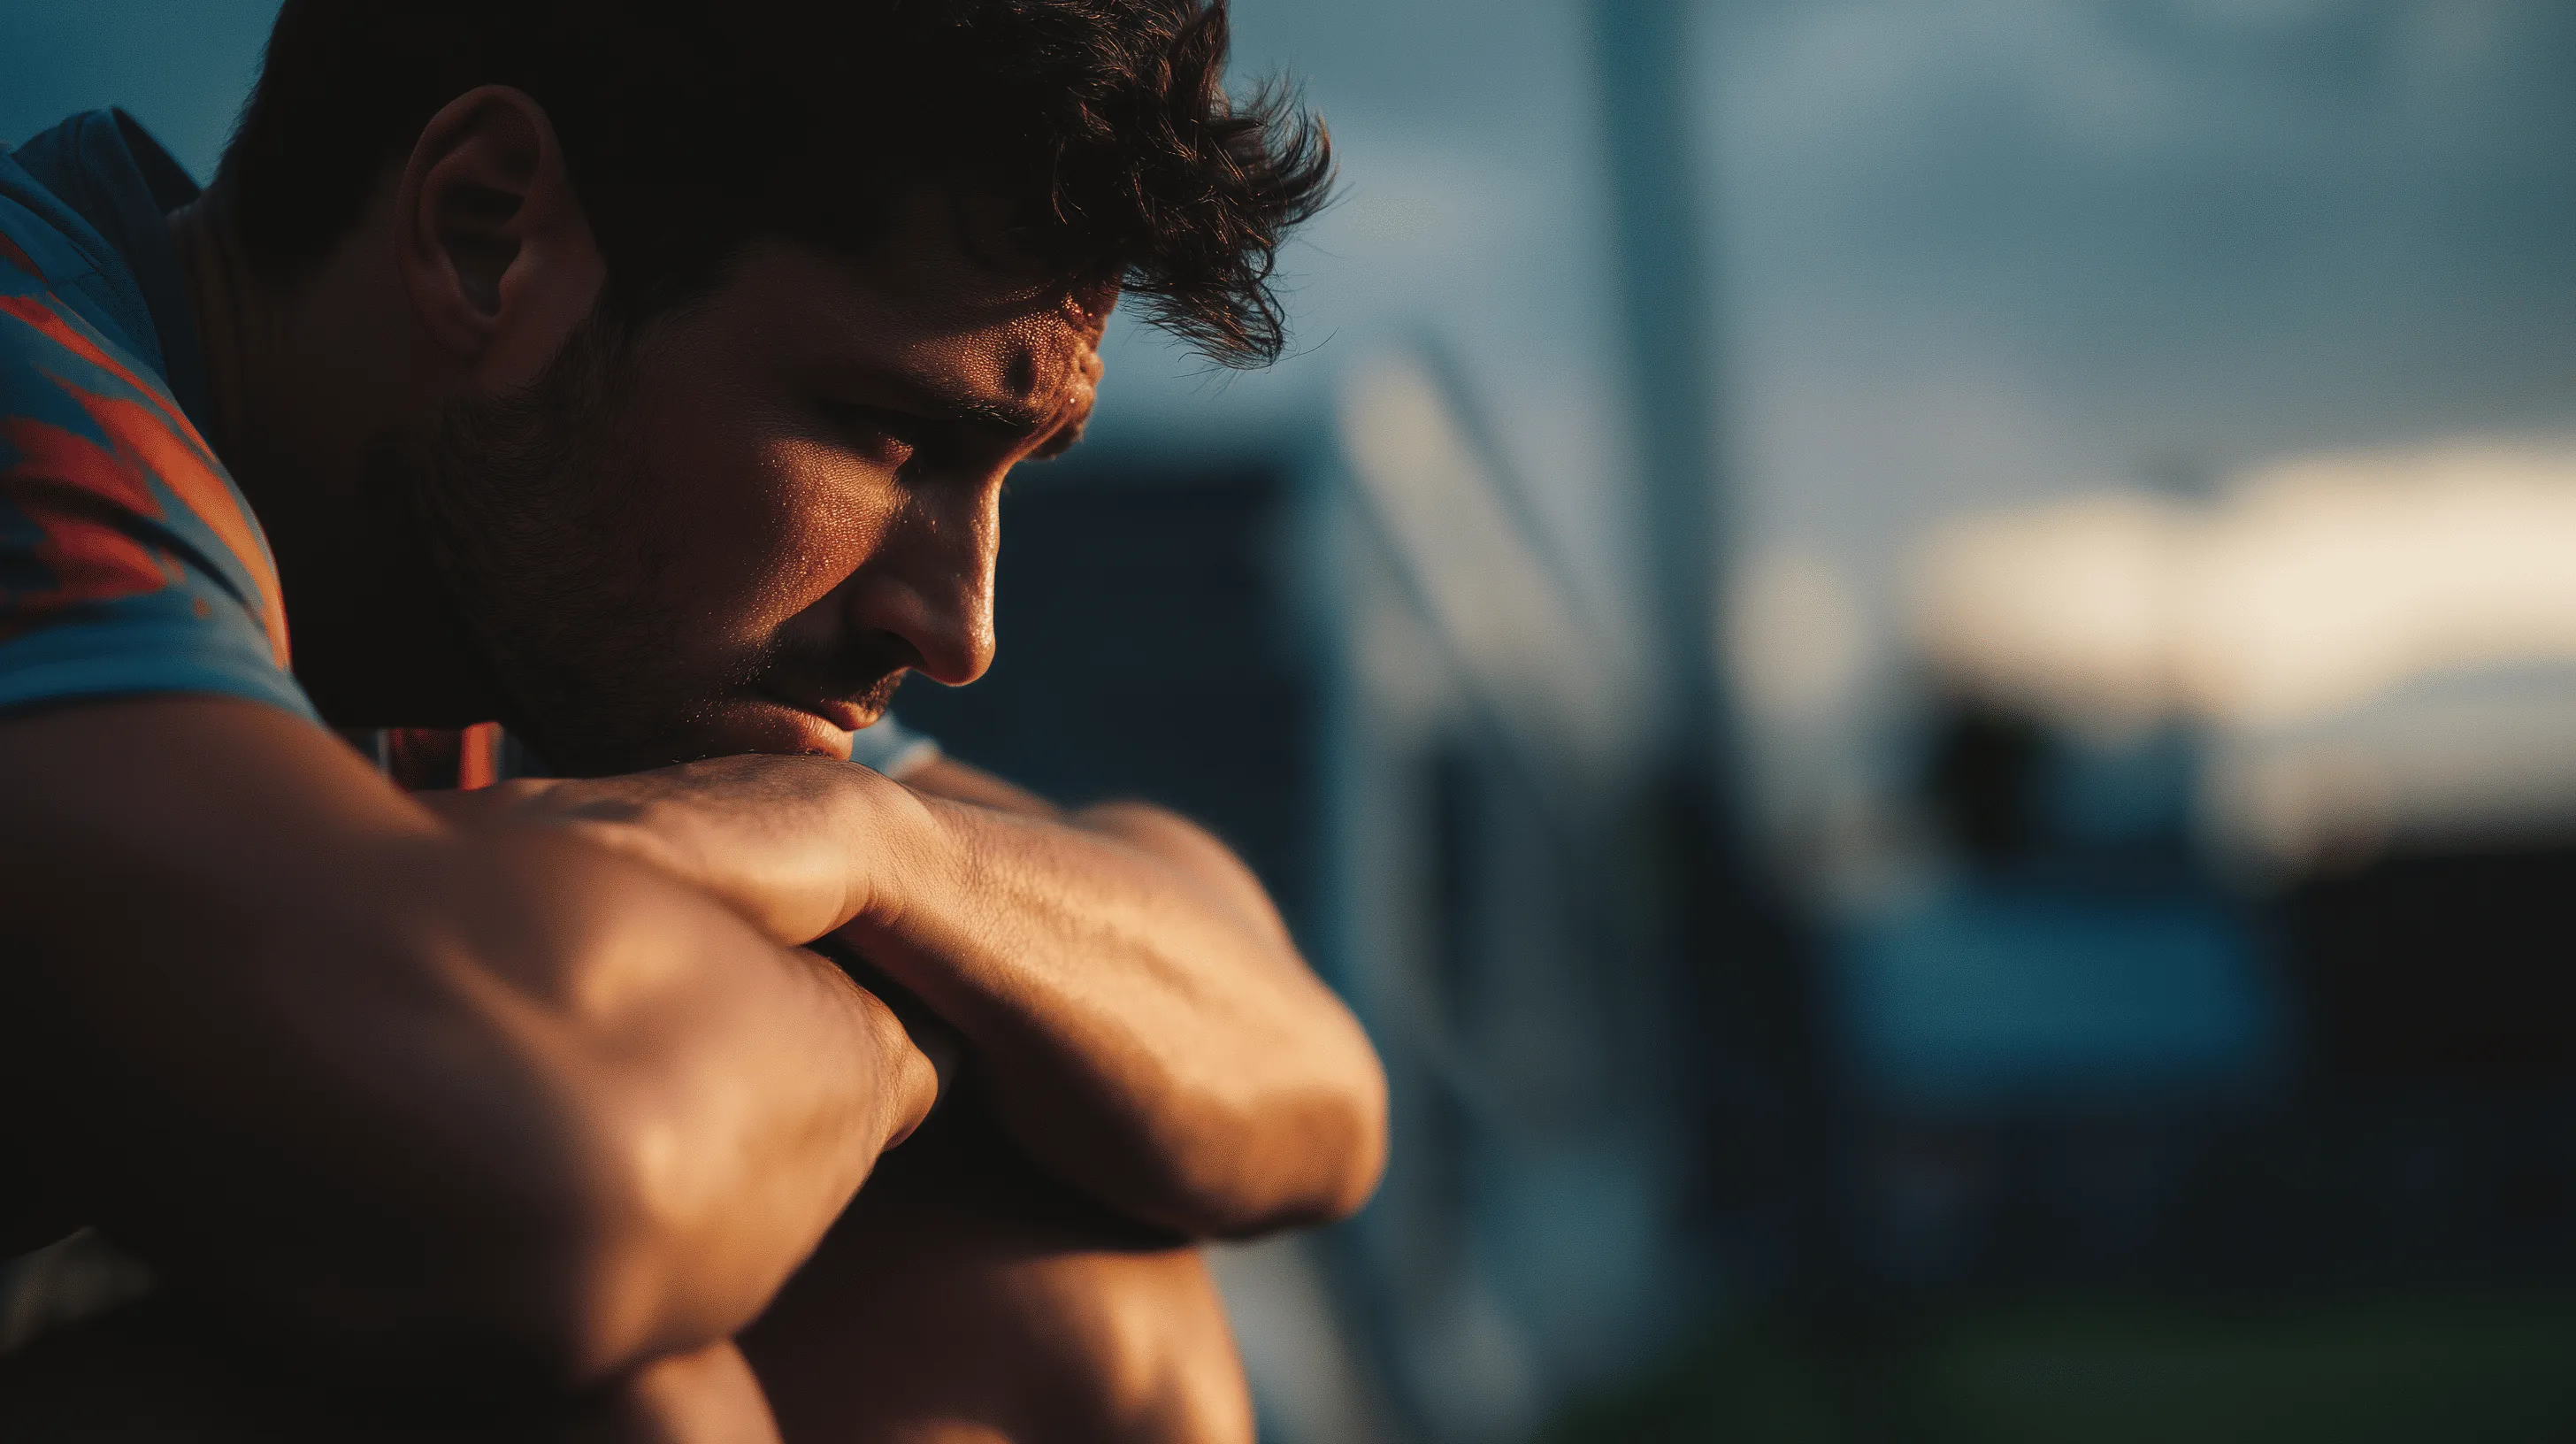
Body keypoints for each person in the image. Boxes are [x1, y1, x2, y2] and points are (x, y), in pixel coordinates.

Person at [0, 2, 1387, 1438]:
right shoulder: (39, 401)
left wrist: (881, 854)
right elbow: (546, 1171)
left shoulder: (548, 583)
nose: (962, 631)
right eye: (892, 435)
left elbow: (1307, 1082)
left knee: (1067, 1310)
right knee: (625, 1408)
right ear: (487, 237)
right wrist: (929, 1022)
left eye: (1010, 473)